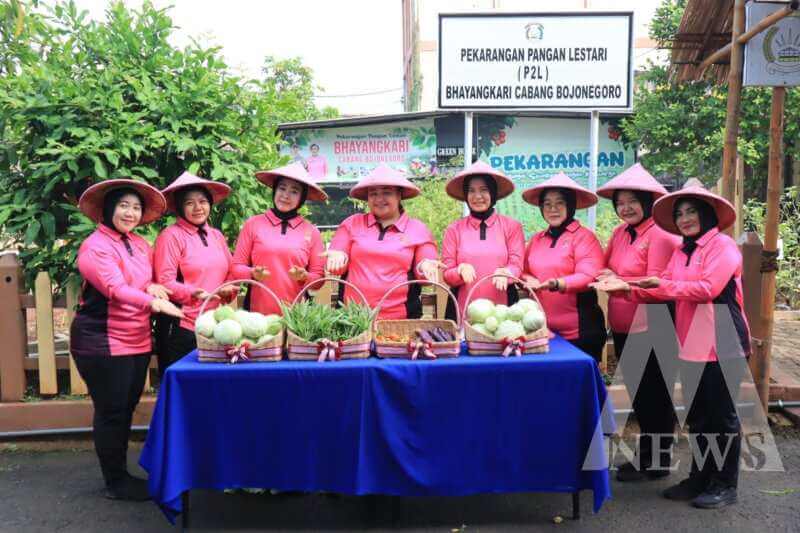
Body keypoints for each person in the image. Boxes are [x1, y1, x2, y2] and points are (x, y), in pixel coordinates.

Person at [592, 179, 750, 509]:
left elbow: (706, 288)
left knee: (721, 417)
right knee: (698, 415)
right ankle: (699, 478)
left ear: (708, 214)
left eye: (692, 211)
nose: (685, 219)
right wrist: (630, 291)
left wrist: (660, 284)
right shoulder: (682, 250)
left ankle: (724, 484)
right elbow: (663, 285)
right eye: (680, 214)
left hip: (723, 340)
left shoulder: (723, 246)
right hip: (690, 341)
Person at [71, 179, 184, 501]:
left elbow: (144, 281)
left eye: (136, 207)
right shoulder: (95, 246)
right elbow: (115, 289)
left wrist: (154, 289)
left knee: (126, 407)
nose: (130, 212)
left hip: (136, 337)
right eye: (123, 206)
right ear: (108, 209)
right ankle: (116, 481)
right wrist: (154, 303)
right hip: (102, 341)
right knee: (111, 411)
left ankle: (121, 474)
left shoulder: (138, 243)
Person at [596, 163, 681, 482]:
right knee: (640, 394)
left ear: (647, 202)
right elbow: (605, 268)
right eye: (620, 202)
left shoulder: (660, 234)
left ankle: (657, 462)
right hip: (623, 324)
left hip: (655, 323)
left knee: (656, 395)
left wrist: (623, 283)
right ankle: (646, 457)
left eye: (632, 200)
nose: (625, 207)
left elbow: (659, 286)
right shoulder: (620, 233)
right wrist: (607, 275)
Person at [325, 164, 442, 318]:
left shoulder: (418, 229)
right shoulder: (352, 223)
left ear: (399, 195)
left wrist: (426, 267)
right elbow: (338, 259)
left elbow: (425, 270)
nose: (379, 199)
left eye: (386, 193)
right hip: (352, 318)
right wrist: (338, 257)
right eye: (373, 194)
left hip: (401, 320)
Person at [154, 172, 235, 375]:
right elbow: (164, 282)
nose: (198, 207)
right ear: (180, 206)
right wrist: (193, 292)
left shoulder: (216, 235)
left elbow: (230, 271)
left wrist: (228, 289)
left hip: (216, 327)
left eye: (202, 201)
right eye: (189, 203)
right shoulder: (170, 236)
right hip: (182, 325)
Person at [521, 172, 607, 360]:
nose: (553, 209)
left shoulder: (585, 237)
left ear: (571, 205)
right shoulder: (536, 240)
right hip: (543, 332)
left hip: (581, 333)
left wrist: (556, 283)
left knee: (578, 387)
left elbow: (588, 276)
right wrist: (529, 279)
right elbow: (524, 271)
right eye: (547, 204)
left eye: (560, 202)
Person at [231, 163, 327, 314]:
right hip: (257, 317)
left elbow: (319, 280)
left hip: (298, 319)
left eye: (294, 191)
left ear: (302, 198)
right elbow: (237, 267)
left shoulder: (311, 231)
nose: (286, 195)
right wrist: (252, 274)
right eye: (282, 188)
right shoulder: (253, 224)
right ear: (275, 190)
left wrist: (305, 277)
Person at [441, 160, 525, 319]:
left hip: (504, 312)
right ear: (466, 195)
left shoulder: (512, 226)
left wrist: (507, 272)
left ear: (493, 194)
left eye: (484, 190)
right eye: (471, 191)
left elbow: (517, 265)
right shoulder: (454, 229)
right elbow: (447, 273)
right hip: (462, 311)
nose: (477, 196)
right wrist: (459, 270)